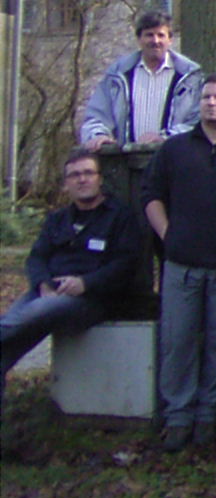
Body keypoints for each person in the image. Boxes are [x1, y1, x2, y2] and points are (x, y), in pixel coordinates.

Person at [141, 73, 216, 448]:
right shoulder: (175, 149)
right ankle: (178, 416)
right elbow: (151, 195)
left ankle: (208, 414)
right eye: (206, 97)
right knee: (178, 341)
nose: (211, 103)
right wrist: (169, 235)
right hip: (182, 264)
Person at [1, 149, 142, 378]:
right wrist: (43, 285)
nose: (82, 179)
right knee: (6, 346)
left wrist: (85, 283)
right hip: (47, 293)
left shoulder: (119, 217)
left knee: (23, 318)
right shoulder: (57, 219)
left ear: (100, 179)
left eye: (88, 173)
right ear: (66, 184)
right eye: (75, 175)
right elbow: (36, 257)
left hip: (90, 300)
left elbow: (125, 264)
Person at [79, 10, 203, 149]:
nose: (155, 41)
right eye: (149, 35)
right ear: (139, 39)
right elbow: (96, 116)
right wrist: (98, 135)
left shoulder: (191, 78)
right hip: (126, 162)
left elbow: (198, 122)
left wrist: (165, 138)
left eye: (161, 35)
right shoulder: (117, 76)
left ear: (170, 40)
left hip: (174, 160)